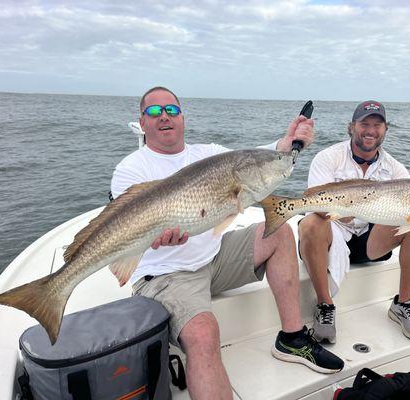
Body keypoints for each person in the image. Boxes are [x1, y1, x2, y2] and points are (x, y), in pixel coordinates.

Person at [111, 87, 344, 400]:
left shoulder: (207, 153)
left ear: (182, 117)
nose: (164, 116)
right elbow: (126, 227)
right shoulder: (131, 168)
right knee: (205, 334)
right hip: (168, 274)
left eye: (172, 110)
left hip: (214, 257)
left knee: (279, 231)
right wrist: (156, 238)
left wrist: (285, 145)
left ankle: (292, 338)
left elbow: (250, 160)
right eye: (154, 112)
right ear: (142, 123)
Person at [298, 100, 410, 344]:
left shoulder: (397, 170)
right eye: (364, 124)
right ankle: (325, 306)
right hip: (330, 237)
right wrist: (343, 209)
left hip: (371, 242)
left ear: (385, 130)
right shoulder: (328, 158)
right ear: (351, 127)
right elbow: (315, 201)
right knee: (309, 223)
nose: (370, 130)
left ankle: (403, 303)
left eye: (377, 125)